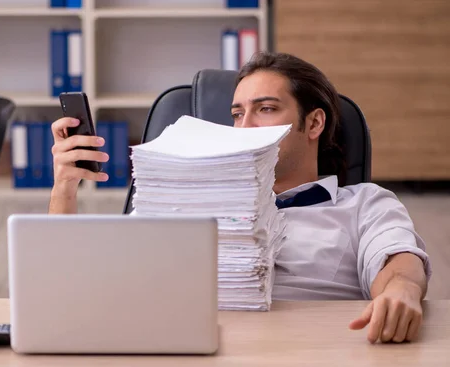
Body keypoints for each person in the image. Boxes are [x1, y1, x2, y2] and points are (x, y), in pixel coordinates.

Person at [47, 52, 431, 344]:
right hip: (191, 352)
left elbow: (398, 259)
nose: (244, 127)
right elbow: (84, 279)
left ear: (313, 123)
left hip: (314, 357)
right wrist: (64, 189)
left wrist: (401, 290)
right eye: (236, 114)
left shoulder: (364, 202)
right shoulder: (186, 197)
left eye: (265, 109)